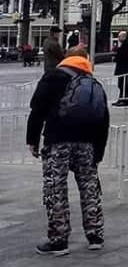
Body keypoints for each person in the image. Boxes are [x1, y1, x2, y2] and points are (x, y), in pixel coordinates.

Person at [26, 46, 109, 255]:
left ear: (66, 58)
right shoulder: (93, 83)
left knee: (56, 188)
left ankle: (59, 240)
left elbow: (37, 110)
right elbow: (103, 119)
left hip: (58, 140)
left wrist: (32, 140)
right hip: (88, 142)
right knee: (89, 185)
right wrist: (98, 152)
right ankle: (95, 235)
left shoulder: (53, 77)